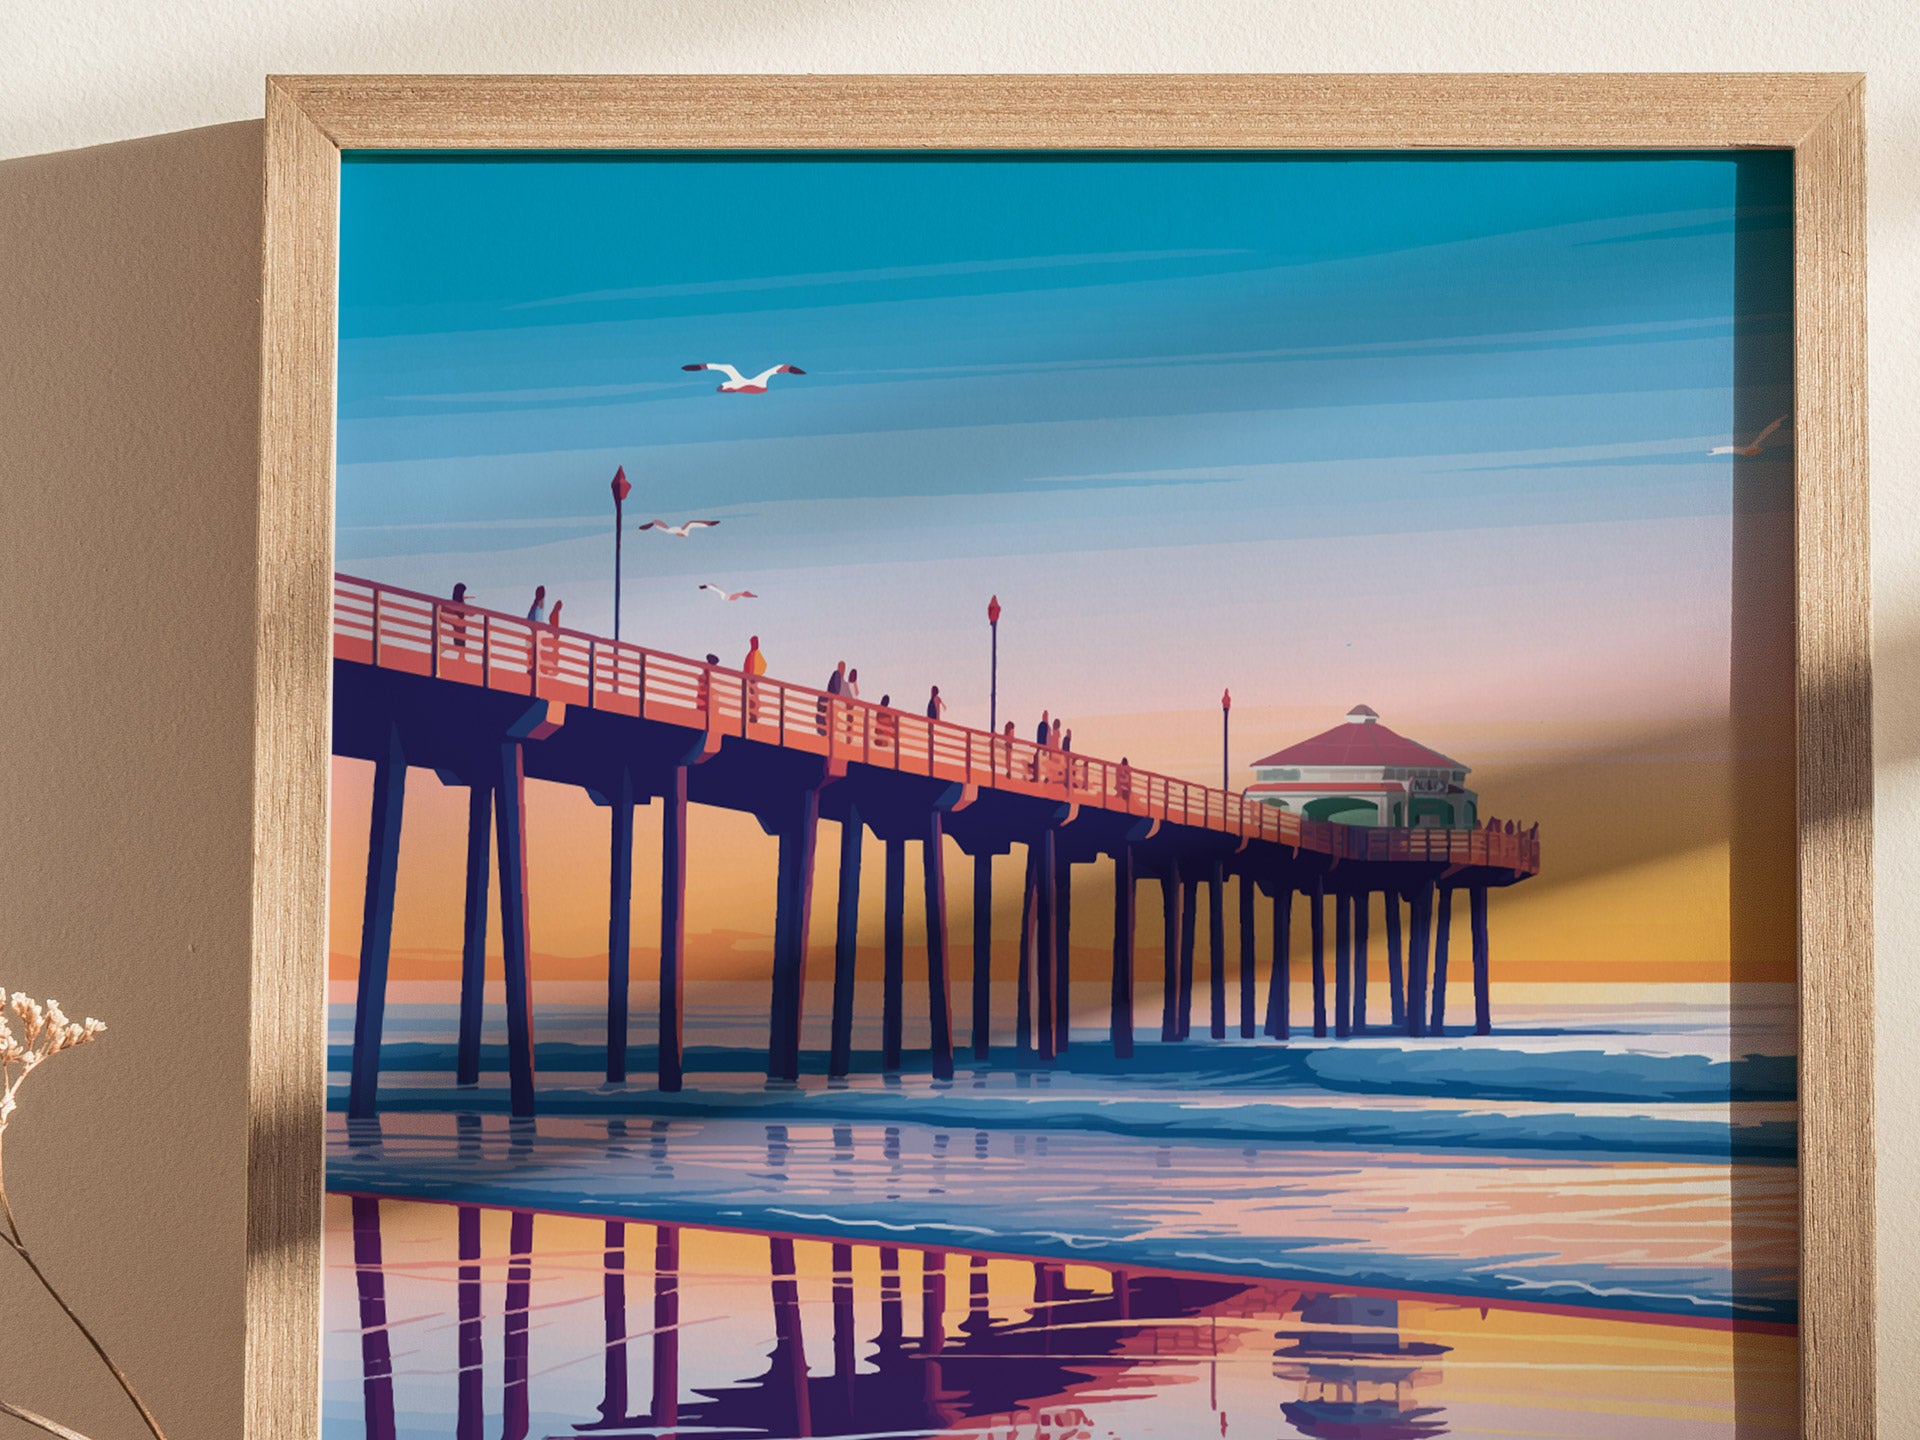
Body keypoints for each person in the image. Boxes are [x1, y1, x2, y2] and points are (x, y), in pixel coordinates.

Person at [743, 635, 768, 723]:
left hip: (754, 681)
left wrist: (757, 675)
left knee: (754, 700)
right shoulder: (751, 654)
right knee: (750, 700)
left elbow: (763, 665)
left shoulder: (756, 654)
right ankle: (750, 718)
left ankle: (753, 718)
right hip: (750, 680)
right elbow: (746, 667)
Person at [446, 582, 473, 656]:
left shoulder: (459, 604)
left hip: (460, 627)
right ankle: (460, 656)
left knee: (460, 645)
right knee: (459, 644)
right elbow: (471, 614)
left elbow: (471, 614)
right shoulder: (456, 604)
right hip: (458, 627)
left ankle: (460, 655)